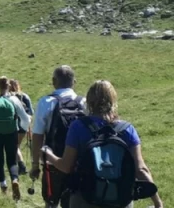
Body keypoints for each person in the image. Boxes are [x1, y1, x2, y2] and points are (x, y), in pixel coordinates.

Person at [42, 80, 163, 208]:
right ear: (113, 101)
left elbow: (66, 166)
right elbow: (141, 170)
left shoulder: (78, 127)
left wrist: (48, 154)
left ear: (89, 101)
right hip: (120, 198)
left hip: (84, 198)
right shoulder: (127, 129)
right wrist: (157, 202)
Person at [30, 65, 87, 208]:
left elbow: (37, 136)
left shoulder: (46, 102)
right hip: (78, 164)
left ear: (54, 81)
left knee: (51, 203)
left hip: (53, 163)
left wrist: (35, 164)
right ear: (74, 82)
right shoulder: (83, 103)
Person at [0, 76, 31, 200]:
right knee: (11, 160)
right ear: (9, 86)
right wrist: (22, 127)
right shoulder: (14, 100)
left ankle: (3, 186)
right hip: (11, 133)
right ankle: (14, 180)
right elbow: (25, 118)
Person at [9, 78, 34, 175]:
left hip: (13, 123)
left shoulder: (9, 97)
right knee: (16, 145)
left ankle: (21, 165)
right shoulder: (25, 96)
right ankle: (19, 164)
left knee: (14, 145)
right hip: (24, 123)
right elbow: (31, 112)